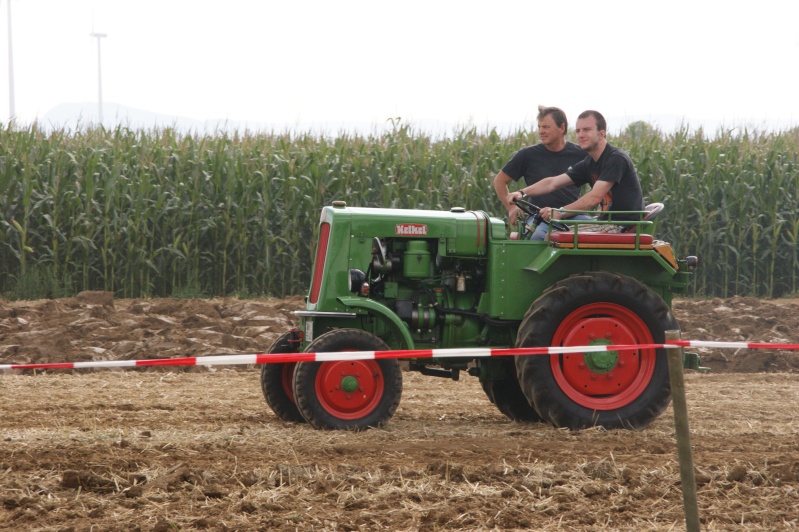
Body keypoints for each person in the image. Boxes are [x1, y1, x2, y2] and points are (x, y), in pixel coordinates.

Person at [507, 110, 644, 234]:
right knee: (551, 230)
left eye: (586, 130)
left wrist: (559, 212)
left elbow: (593, 198)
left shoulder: (615, 159)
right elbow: (552, 183)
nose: (581, 135)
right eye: (578, 131)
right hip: (605, 222)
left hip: (621, 225)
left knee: (552, 235)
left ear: (601, 134)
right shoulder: (590, 163)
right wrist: (522, 193)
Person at [492, 106, 589, 240]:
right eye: (539, 127)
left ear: (562, 128)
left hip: (570, 215)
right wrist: (511, 208)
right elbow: (499, 181)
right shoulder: (527, 155)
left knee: (598, 233)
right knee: (537, 236)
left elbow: (600, 185)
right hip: (539, 218)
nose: (541, 131)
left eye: (546, 127)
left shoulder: (581, 154)